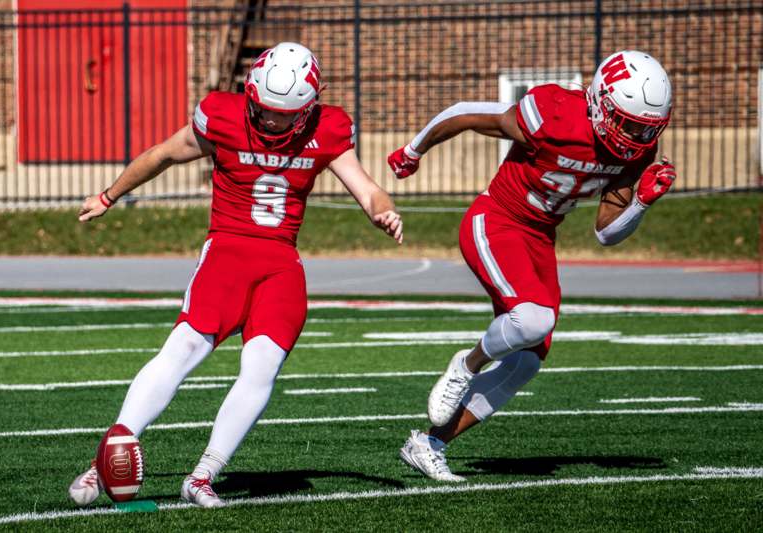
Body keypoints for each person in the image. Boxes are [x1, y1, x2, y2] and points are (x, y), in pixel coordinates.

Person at [68, 42, 403, 507]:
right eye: (263, 109)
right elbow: (163, 154)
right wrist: (108, 196)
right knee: (183, 349)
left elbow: (368, 190)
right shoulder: (221, 116)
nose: (269, 121)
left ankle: (203, 474)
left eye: (282, 115)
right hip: (227, 254)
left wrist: (383, 213)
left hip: (281, 263)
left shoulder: (327, 128)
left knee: (262, 367)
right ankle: (108, 455)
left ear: (308, 107)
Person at [388, 50, 675, 482]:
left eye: (644, 129)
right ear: (599, 101)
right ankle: (465, 365)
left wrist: (640, 203)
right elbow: (468, 113)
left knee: (527, 361)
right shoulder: (555, 114)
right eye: (626, 123)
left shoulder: (635, 150)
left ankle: (430, 443)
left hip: (540, 238)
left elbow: (605, 232)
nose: (634, 136)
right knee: (534, 319)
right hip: (496, 220)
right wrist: (414, 150)